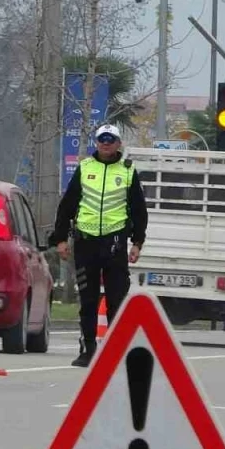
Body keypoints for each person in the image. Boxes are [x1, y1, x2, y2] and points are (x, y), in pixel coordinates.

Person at [50, 124, 149, 367]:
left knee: (117, 300)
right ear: (96, 142)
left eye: (111, 139)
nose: (106, 143)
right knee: (88, 300)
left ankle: (116, 351)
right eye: (102, 139)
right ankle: (87, 350)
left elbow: (139, 210)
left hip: (115, 244)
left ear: (118, 144)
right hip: (86, 243)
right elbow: (67, 206)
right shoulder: (84, 168)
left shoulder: (127, 171)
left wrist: (137, 242)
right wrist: (61, 239)